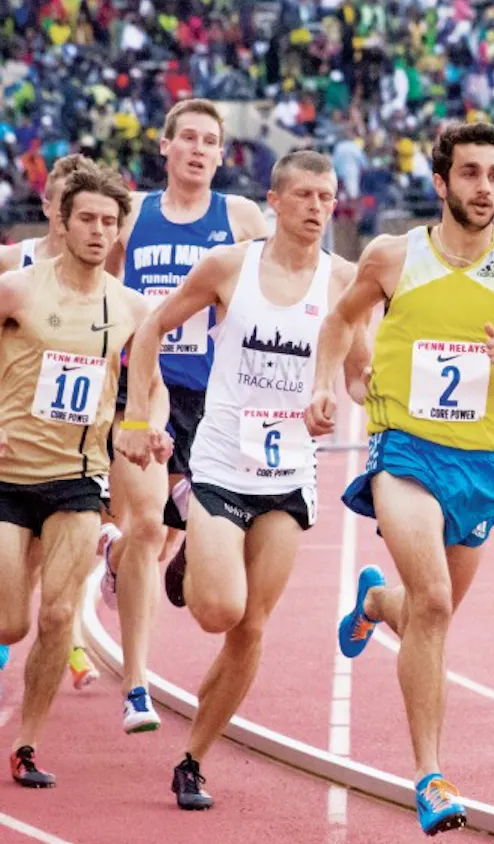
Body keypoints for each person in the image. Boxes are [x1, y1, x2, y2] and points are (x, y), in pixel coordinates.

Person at [306, 122, 494, 836]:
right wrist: (328, 383)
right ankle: (430, 773)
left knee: (434, 610)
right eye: (470, 173)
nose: (484, 187)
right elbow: (339, 320)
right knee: (432, 599)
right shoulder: (394, 256)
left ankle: (375, 602)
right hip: (405, 448)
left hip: (480, 465)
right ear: (440, 182)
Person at [116, 151, 364, 811]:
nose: (318, 209)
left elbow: (364, 371)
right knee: (216, 610)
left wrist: (342, 397)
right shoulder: (232, 266)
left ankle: (193, 757)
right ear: (275, 202)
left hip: (288, 479)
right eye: (306, 195)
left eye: (328, 197)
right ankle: (200, 548)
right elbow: (150, 330)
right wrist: (138, 416)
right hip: (223, 464)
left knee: (250, 627)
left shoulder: (344, 281)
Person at [104, 98, 271, 735]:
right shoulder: (134, 215)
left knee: (192, 540)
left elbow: (275, 287)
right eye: (189, 139)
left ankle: (143, 557)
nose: (199, 150)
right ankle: (137, 687)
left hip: (214, 401)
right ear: (166, 146)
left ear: (221, 156)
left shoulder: (241, 217)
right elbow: (108, 290)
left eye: (211, 142)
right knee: (146, 525)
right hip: (142, 389)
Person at [0, 167, 169, 788]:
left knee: (57, 614)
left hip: (78, 478)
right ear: (62, 222)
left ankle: (27, 745)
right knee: (10, 622)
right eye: (88, 219)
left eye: (109, 221)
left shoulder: (131, 308)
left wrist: (149, 427)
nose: (99, 231)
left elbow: (150, 385)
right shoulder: (17, 289)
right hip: (7, 475)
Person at [0, 154, 107, 693]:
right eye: (72, 205)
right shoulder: (13, 265)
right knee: (12, 610)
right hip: (12, 445)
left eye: (96, 214)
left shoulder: (102, 281)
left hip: (71, 457)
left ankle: (70, 635)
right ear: (51, 207)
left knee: (51, 577)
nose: (84, 222)